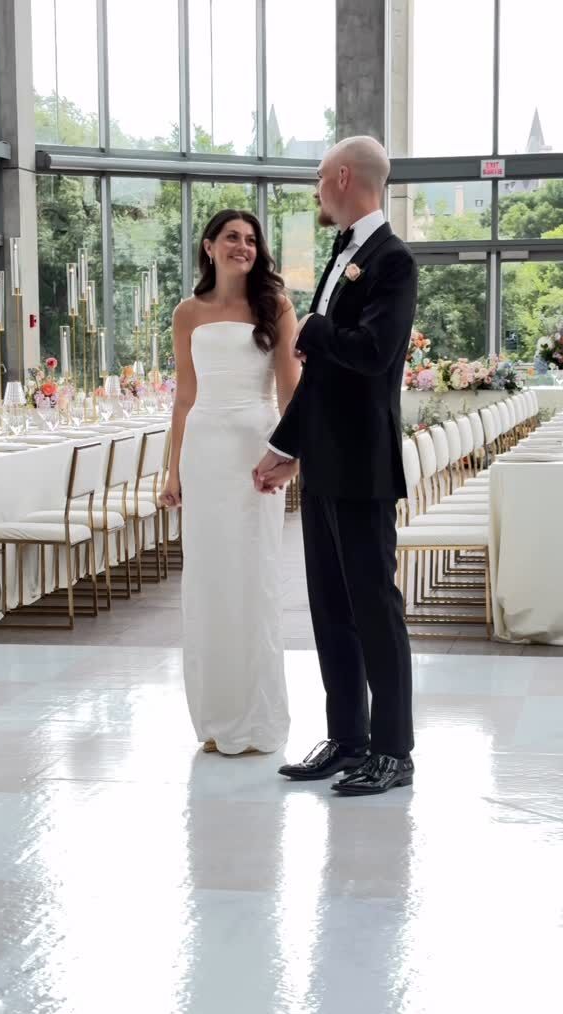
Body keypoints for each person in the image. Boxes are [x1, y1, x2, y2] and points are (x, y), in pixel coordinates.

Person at [253, 136, 417, 796]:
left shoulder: (392, 260)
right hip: (324, 463)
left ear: (344, 176)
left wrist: (313, 330)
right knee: (329, 610)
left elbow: (373, 351)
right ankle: (348, 739)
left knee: (375, 609)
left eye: (321, 176)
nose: (317, 188)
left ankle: (394, 751)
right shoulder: (341, 253)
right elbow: (319, 376)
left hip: (364, 466)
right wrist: (285, 447)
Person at [161, 209, 301, 755]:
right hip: (204, 452)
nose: (243, 246)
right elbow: (184, 397)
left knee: (253, 577)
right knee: (207, 579)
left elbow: (290, 389)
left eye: (251, 240)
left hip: (254, 453)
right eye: (232, 238)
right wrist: (172, 469)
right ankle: (216, 720)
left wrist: (291, 452)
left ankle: (257, 719)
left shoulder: (276, 306)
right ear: (209, 246)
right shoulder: (187, 312)